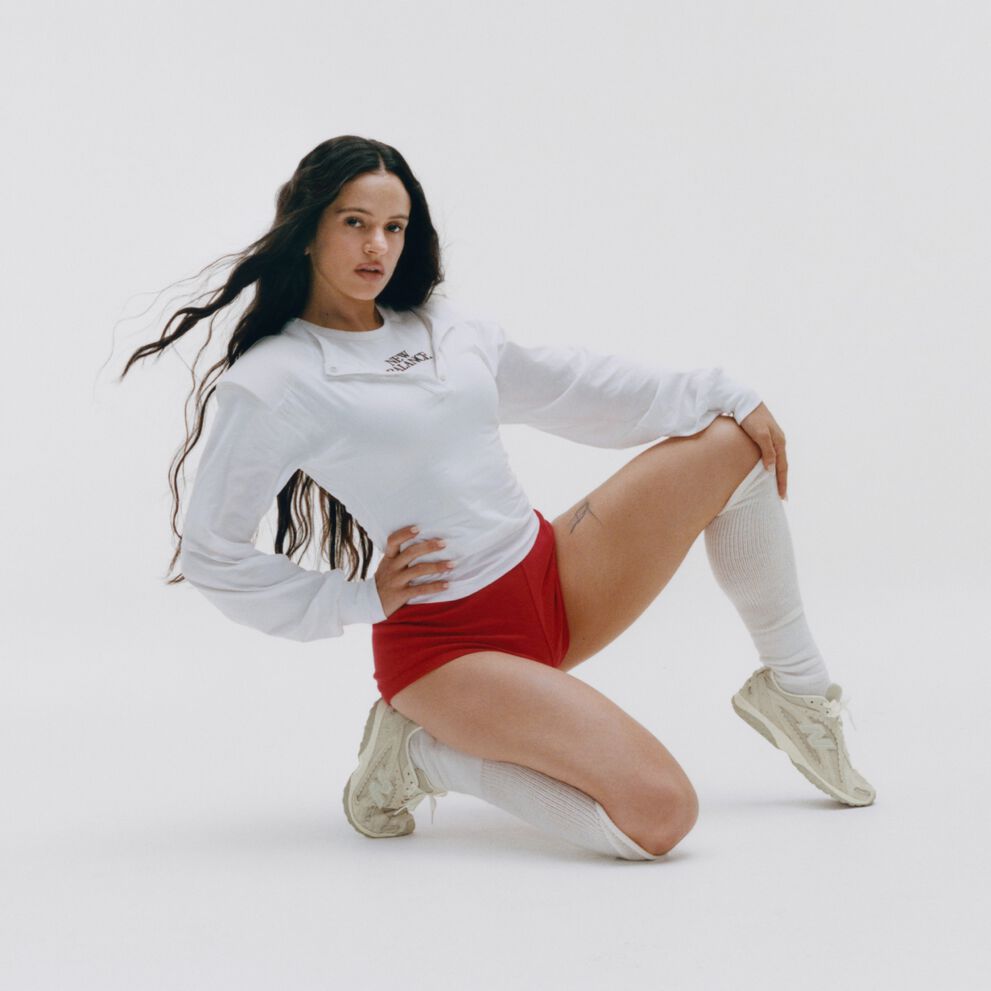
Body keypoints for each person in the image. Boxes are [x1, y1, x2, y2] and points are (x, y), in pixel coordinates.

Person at [122, 134, 875, 863]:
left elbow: (568, 385)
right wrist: (352, 599)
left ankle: (797, 691)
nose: (376, 247)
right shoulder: (276, 380)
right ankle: (423, 754)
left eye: (393, 226)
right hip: (446, 648)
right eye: (354, 223)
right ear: (308, 228)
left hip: (552, 575)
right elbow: (210, 551)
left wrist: (725, 392)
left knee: (730, 442)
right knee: (659, 815)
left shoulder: (442, 327)